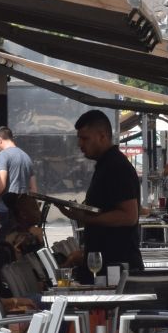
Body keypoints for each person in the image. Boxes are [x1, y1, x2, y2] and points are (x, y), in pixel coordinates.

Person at [63, 109, 142, 278]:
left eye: (85, 138)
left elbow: (129, 216)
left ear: (102, 136)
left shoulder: (116, 167)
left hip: (116, 268)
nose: (80, 144)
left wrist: (86, 218)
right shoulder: (106, 165)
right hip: (105, 265)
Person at [0, 126, 34, 217]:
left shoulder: (3, 155)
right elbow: (33, 187)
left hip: (6, 207)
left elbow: (1, 185)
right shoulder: (26, 157)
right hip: (22, 208)